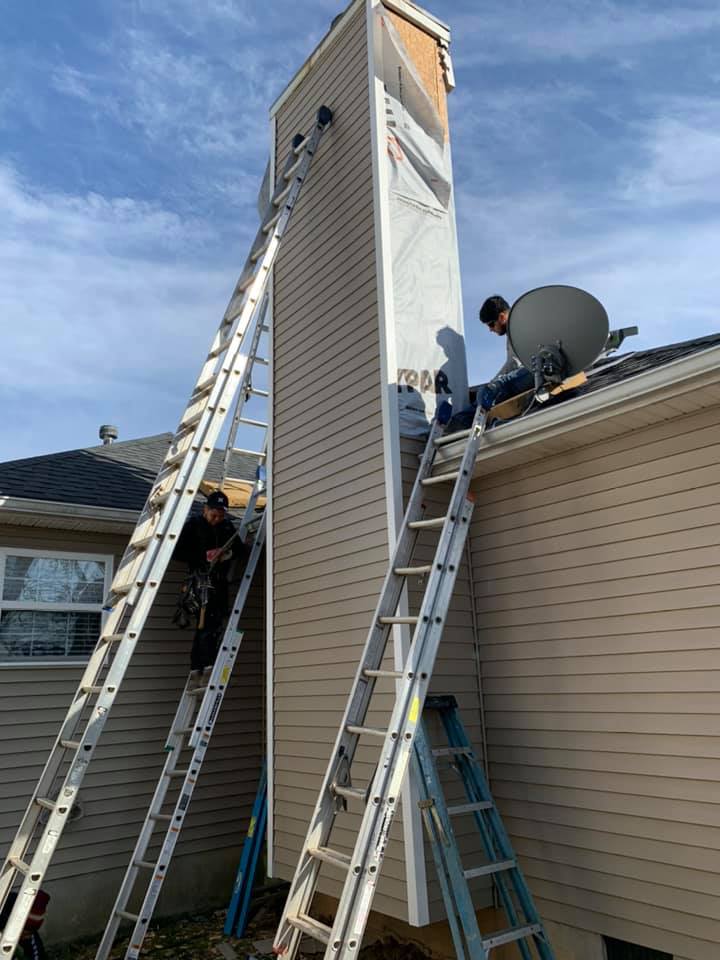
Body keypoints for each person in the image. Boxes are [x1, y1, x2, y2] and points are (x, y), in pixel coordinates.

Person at [173, 490, 248, 676]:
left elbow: (238, 548)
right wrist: (204, 557)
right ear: (205, 509)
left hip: (219, 583)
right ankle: (203, 665)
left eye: (221, 515)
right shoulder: (193, 525)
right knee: (205, 624)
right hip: (200, 582)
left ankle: (201, 666)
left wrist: (227, 555)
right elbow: (177, 552)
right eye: (214, 515)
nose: (217, 519)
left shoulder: (226, 527)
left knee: (215, 624)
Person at [476, 295, 534, 409]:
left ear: (502, 317)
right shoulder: (515, 327)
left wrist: (493, 384)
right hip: (531, 371)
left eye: (491, 324)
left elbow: (513, 363)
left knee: (491, 393)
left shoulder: (518, 327)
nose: (491, 329)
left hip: (536, 371)